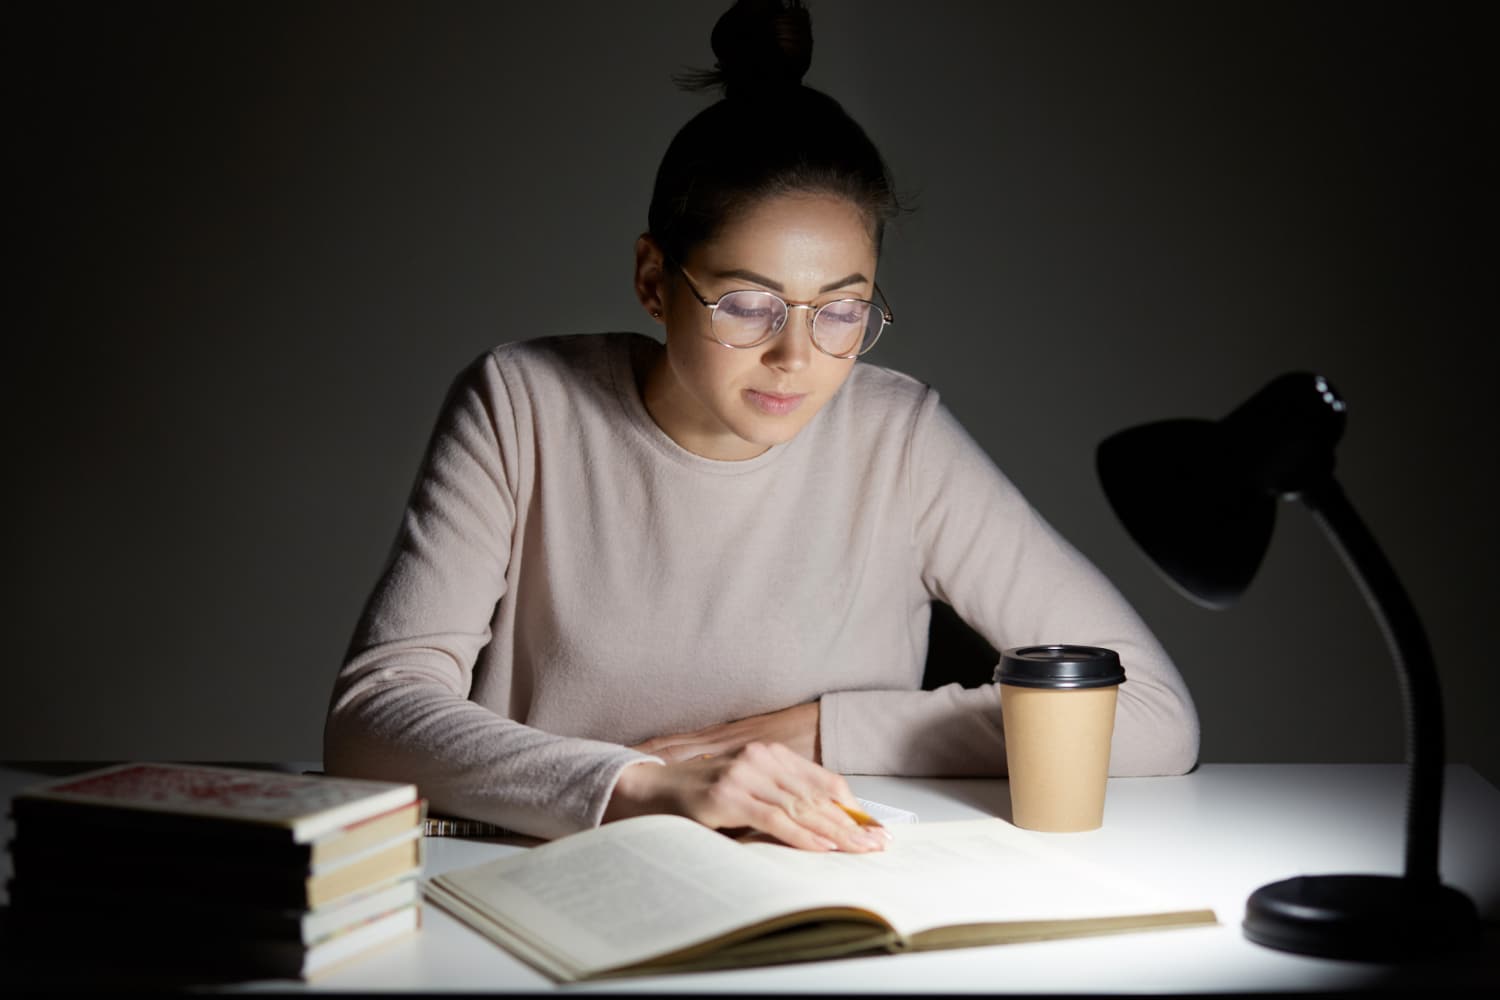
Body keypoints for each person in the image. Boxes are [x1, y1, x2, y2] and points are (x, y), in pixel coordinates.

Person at [323, 0, 1199, 854]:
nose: (796, 356)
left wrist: (820, 731)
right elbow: (372, 717)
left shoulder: (898, 438)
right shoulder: (524, 404)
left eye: (842, 310)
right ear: (654, 280)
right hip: (557, 878)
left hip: (816, 882)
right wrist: (642, 786)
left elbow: (1152, 713)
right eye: (747, 304)